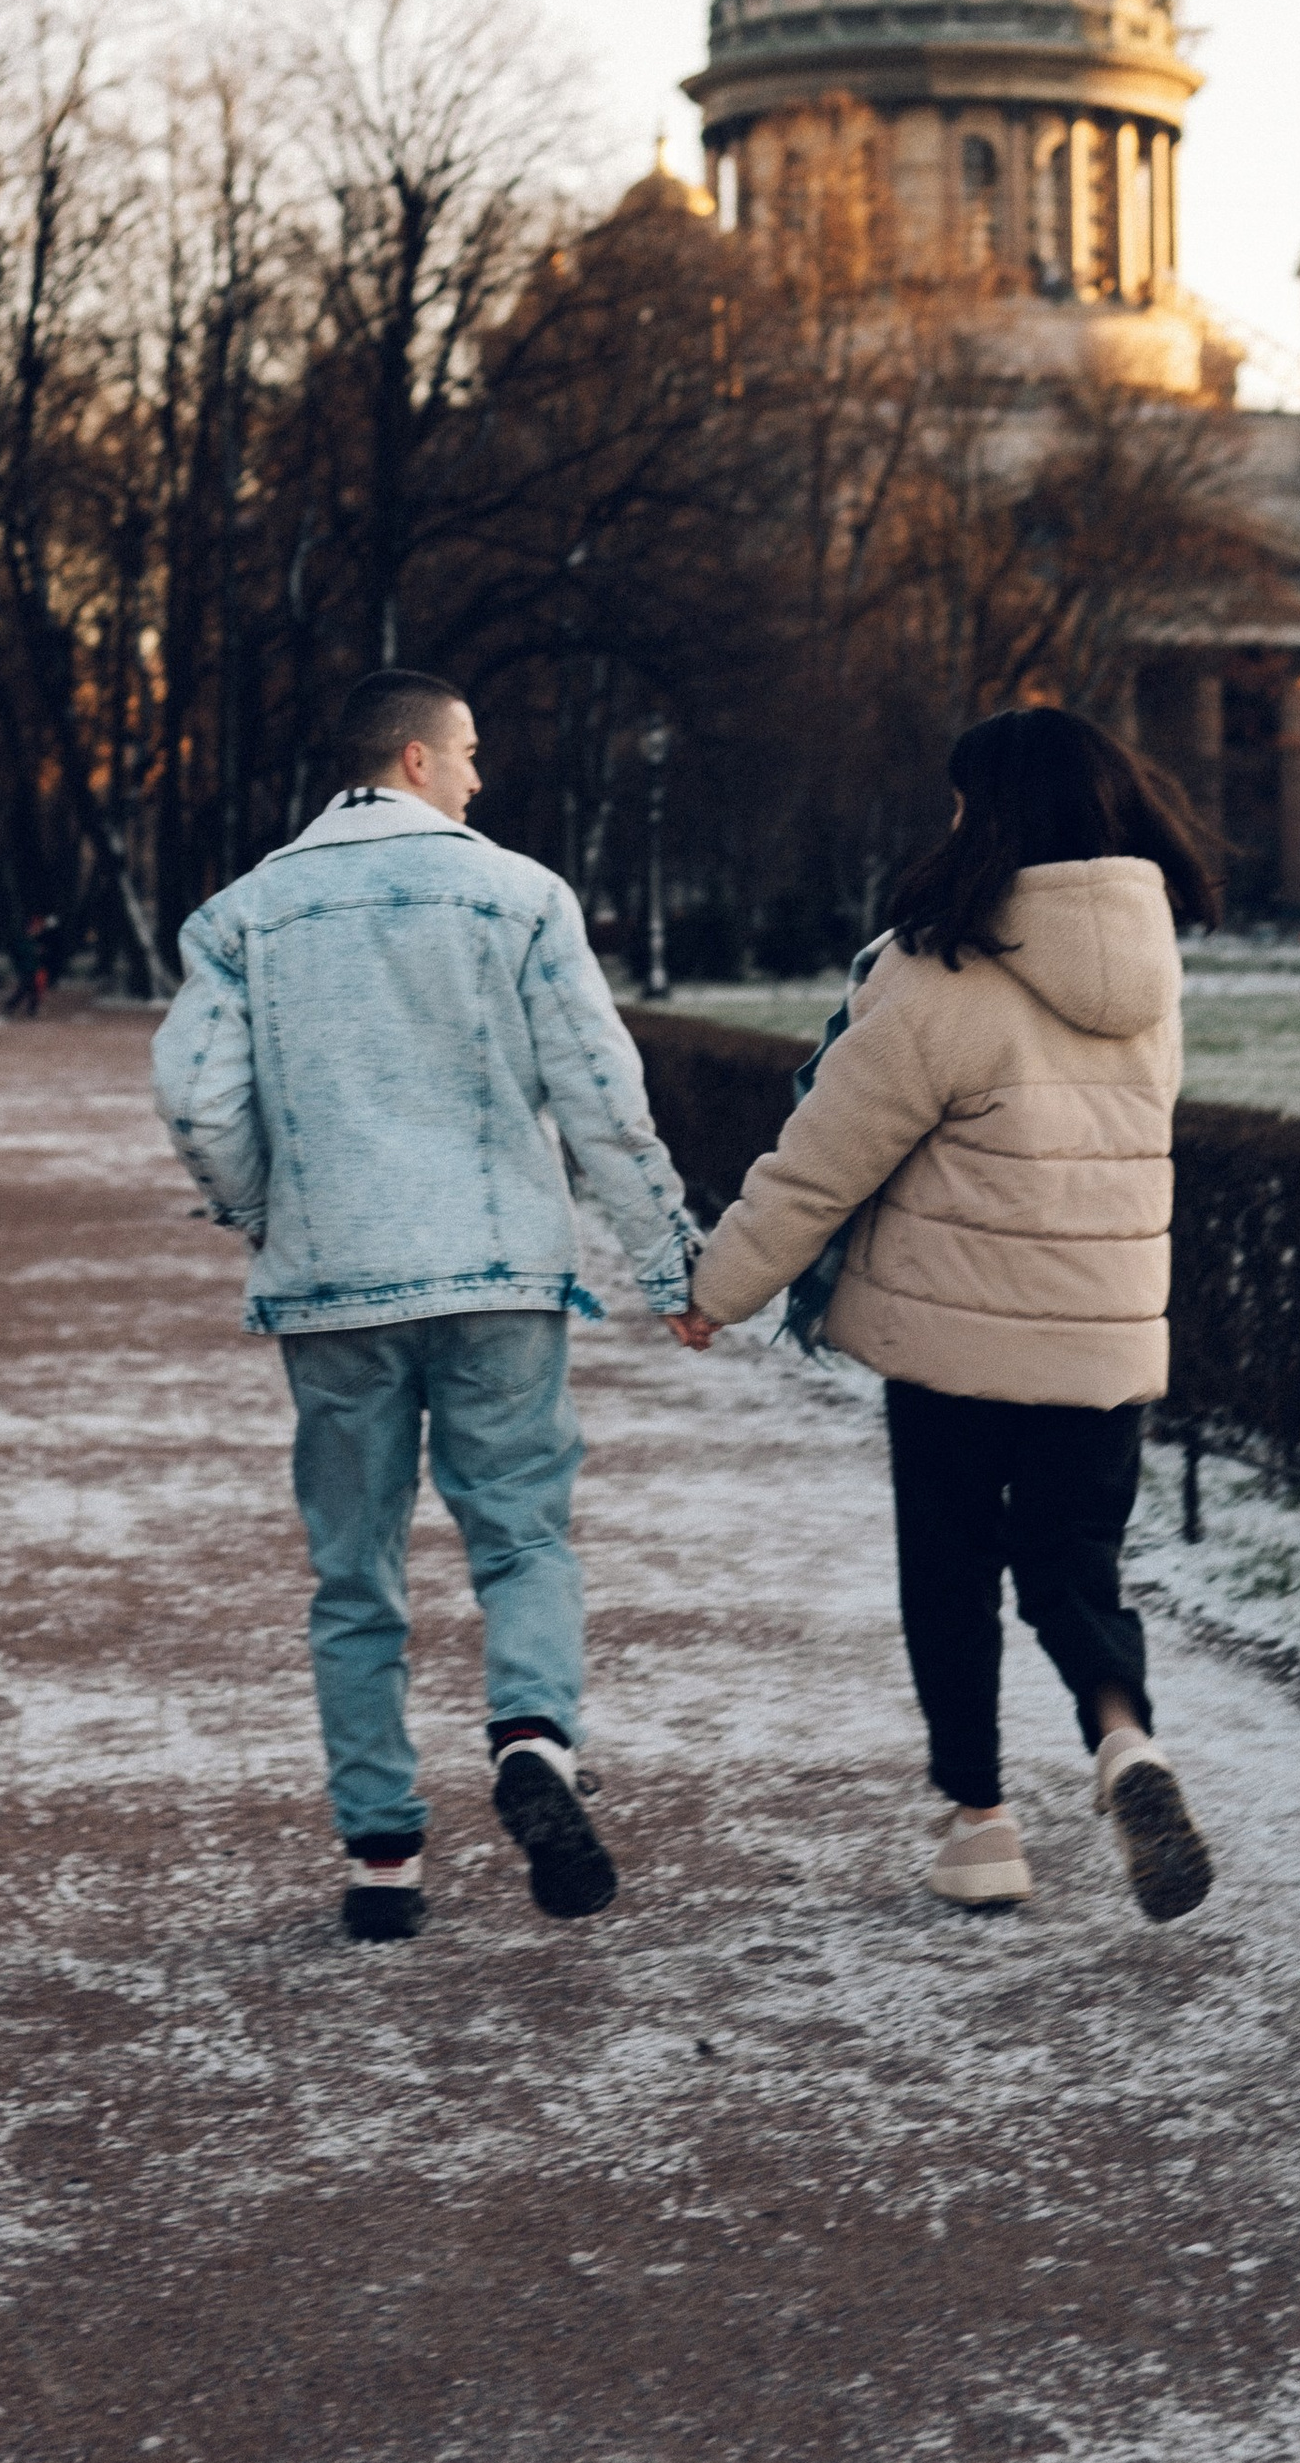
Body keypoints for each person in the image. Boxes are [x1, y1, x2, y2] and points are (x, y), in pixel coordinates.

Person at [153, 668, 709, 1943]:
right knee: (519, 1534)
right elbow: (598, 1095)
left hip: (333, 1283)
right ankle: (530, 1737)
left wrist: (259, 1209)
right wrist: (671, 1265)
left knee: (354, 1575)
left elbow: (196, 1099)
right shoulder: (518, 894)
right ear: (411, 759)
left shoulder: (242, 914)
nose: (479, 774)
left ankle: (383, 1863)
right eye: (467, 751)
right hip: (498, 1270)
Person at [688, 705, 1217, 1923]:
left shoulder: (937, 970)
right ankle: (1124, 1736)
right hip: (1103, 1332)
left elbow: (823, 1160)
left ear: (992, 812)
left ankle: (980, 1828)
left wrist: (719, 1291)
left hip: (953, 1340)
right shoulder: (1149, 972)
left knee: (951, 1572)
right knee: (1074, 1568)